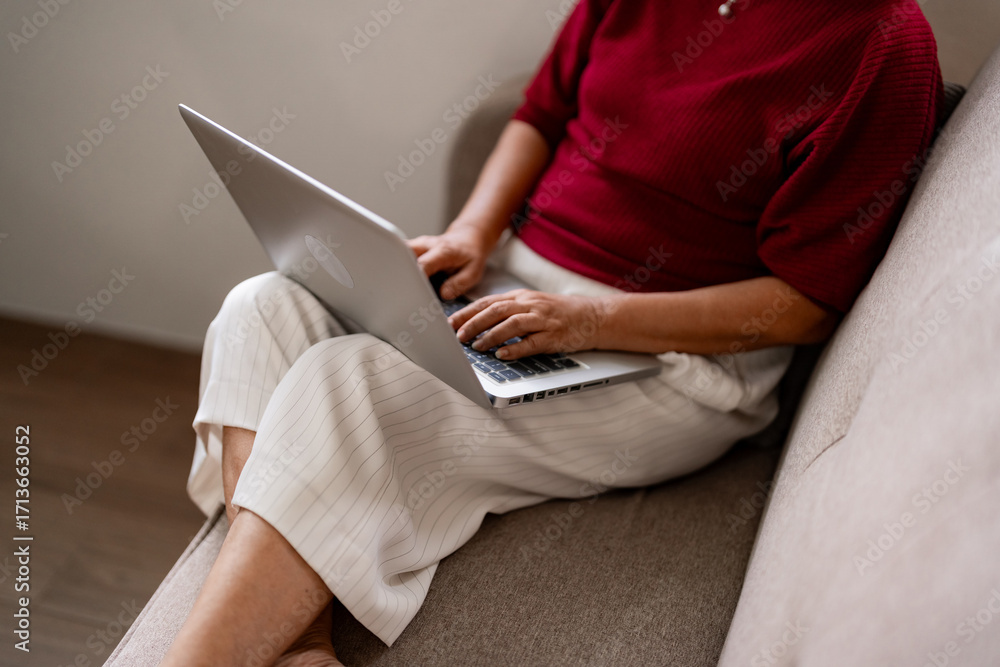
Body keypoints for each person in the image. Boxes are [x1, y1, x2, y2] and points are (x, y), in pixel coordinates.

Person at [162, 0, 942, 664]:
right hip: (510, 286)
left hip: (675, 359)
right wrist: (471, 234)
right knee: (264, 305)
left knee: (349, 384)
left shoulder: (880, 45)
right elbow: (539, 114)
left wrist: (592, 318)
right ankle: (301, 646)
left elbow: (806, 301)